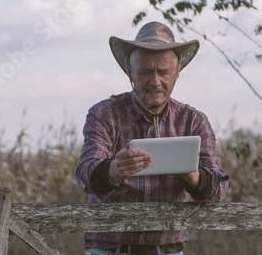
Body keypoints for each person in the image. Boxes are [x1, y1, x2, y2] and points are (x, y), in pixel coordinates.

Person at [76, 21, 229, 255]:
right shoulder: (104, 114)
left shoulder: (194, 121)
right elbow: (86, 175)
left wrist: (192, 175)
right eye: (146, 72)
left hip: (167, 249)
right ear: (130, 71)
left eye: (164, 72)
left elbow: (218, 189)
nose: (155, 81)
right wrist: (114, 169)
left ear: (177, 73)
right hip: (109, 249)